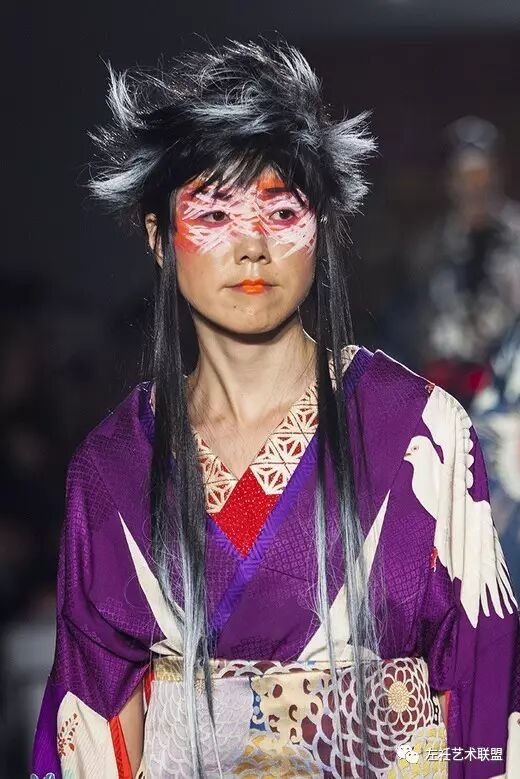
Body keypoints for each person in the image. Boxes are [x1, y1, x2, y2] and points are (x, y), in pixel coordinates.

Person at [31, 40, 519, 778]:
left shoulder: (423, 432)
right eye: (213, 211)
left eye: (282, 210)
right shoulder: (112, 467)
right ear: (159, 237)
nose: (252, 245)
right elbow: (93, 731)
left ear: (322, 229)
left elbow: (485, 694)